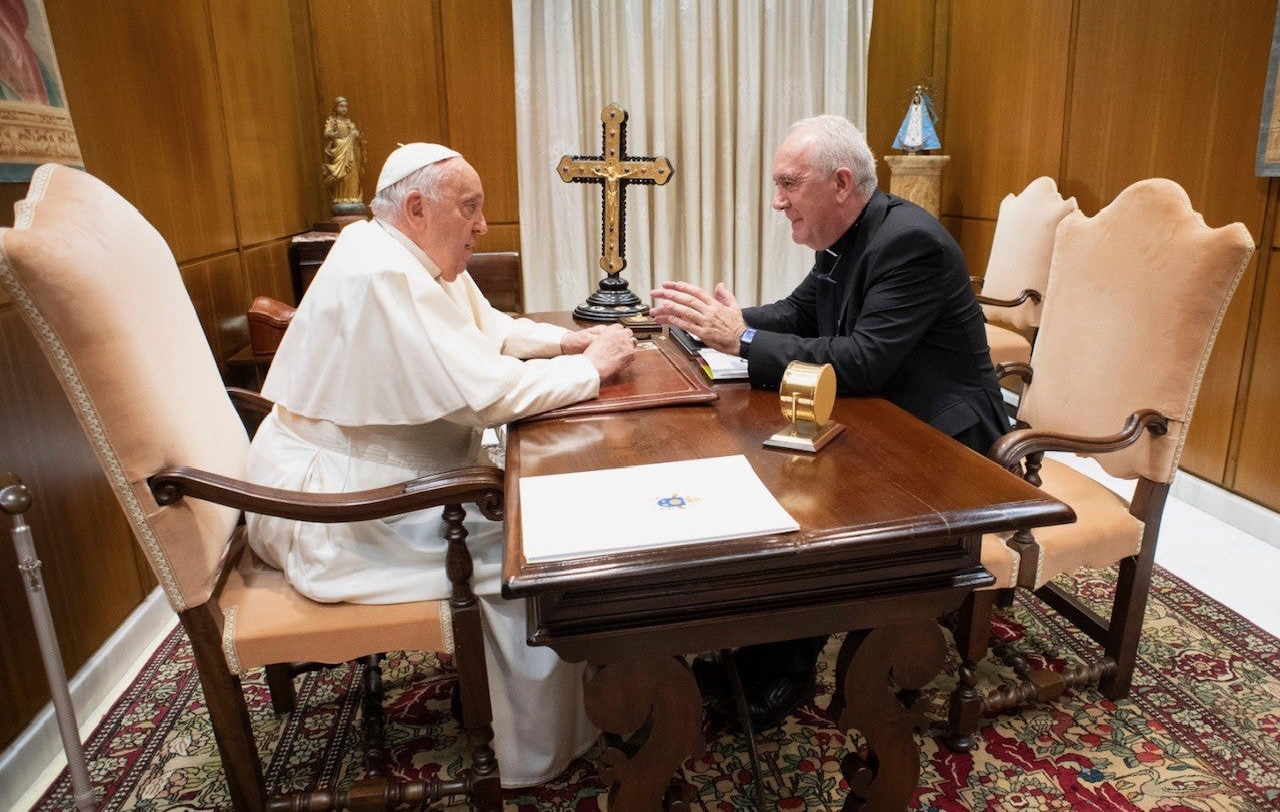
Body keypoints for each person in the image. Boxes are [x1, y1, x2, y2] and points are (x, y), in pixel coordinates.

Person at [246, 142, 636, 787]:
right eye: (471, 208)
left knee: (538, 512)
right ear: (419, 206)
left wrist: (569, 341)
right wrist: (589, 369)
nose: (482, 225)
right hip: (344, 511)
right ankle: (535, 753)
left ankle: (562, 701)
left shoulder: (402, 252)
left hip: (379, 479)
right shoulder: (383, 274)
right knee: (533, 555)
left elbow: (493, 331)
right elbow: (488, 395)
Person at [649, 113, 1008, 728]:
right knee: (773, 475)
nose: (776, 201)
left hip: (943, 441)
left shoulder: (906, 242)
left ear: (841, 183)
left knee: (808, 506)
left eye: (789, 184)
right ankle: (760, 649)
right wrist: (716, 325)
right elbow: (798, 312)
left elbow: (864, 362)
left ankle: (784, 668)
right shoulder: (845, 238)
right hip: (881, 415)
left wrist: (740, 339)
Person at [322, 96, 365, 211]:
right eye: (341, 106)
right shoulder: (332, 121)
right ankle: (341, 197)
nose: (344, 109)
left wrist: (356, 135)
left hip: (350, 152)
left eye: (346, 106)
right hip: (339, 150)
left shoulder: (349, 123)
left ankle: (352, 196)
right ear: (335, 108)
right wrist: (333, 135)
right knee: (342, 176)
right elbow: (326, 134)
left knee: (352, 173)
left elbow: (356, 136)